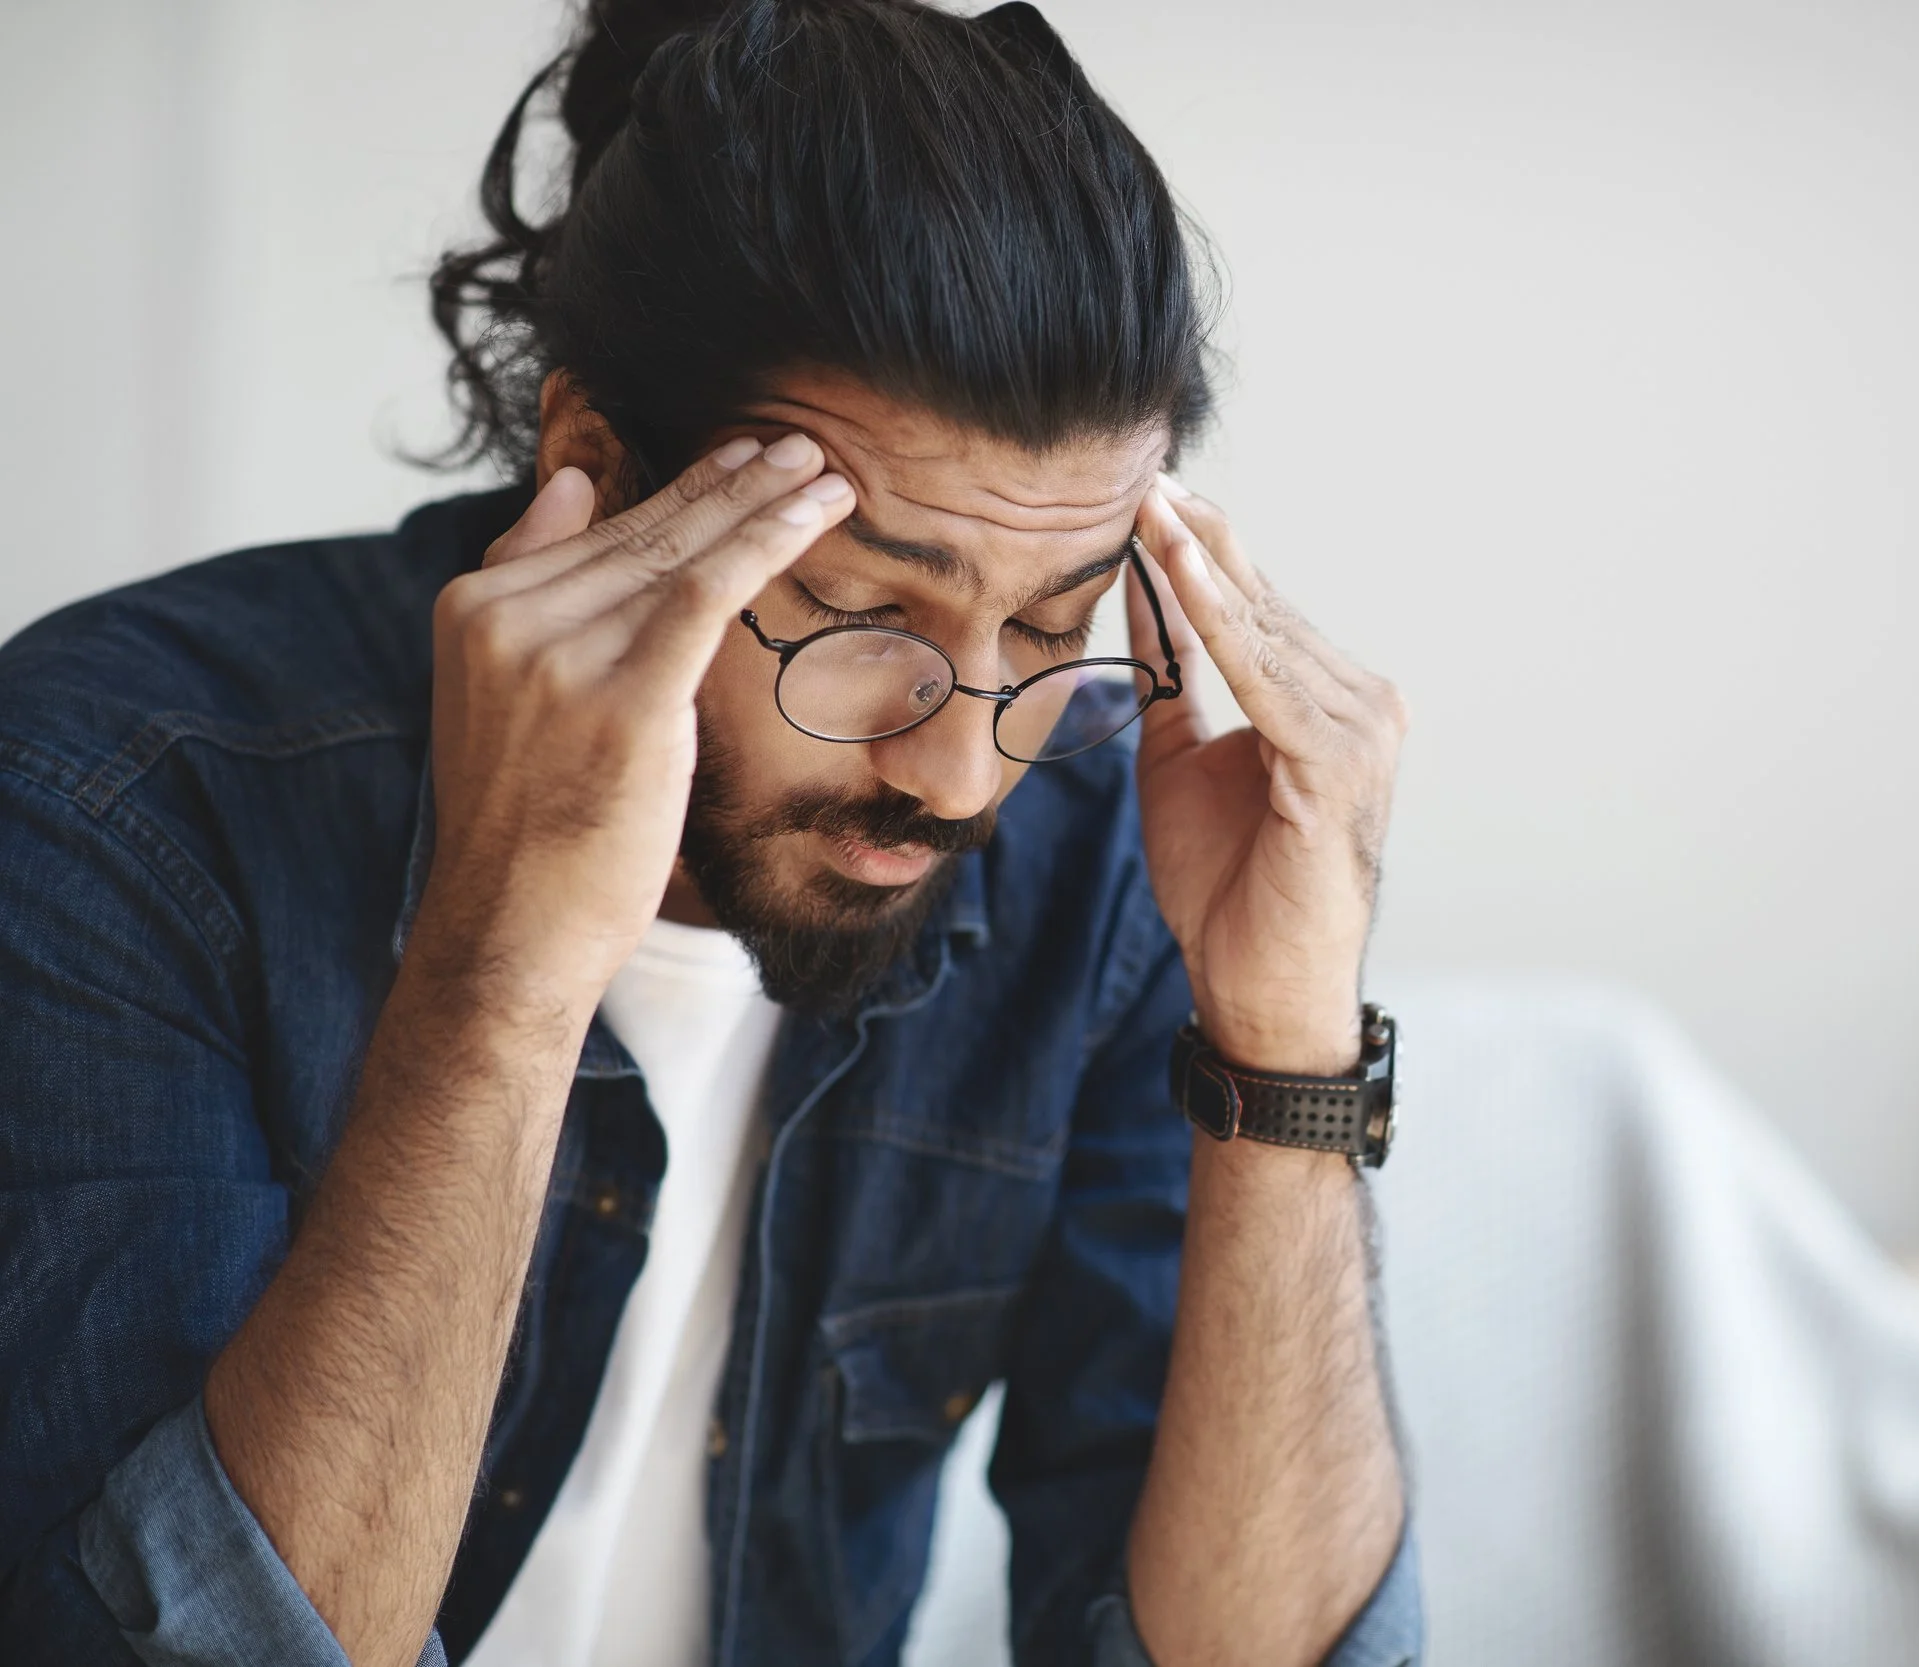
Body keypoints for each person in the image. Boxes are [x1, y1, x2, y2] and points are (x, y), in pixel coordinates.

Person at [0, 2, 1417, 1662]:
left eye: (1054, 622)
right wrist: (509, 961)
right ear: (595, 468)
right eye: (862, 613)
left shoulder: (1100, 869)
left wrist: (1285, 1051)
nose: (963, 772)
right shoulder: (116, 802)